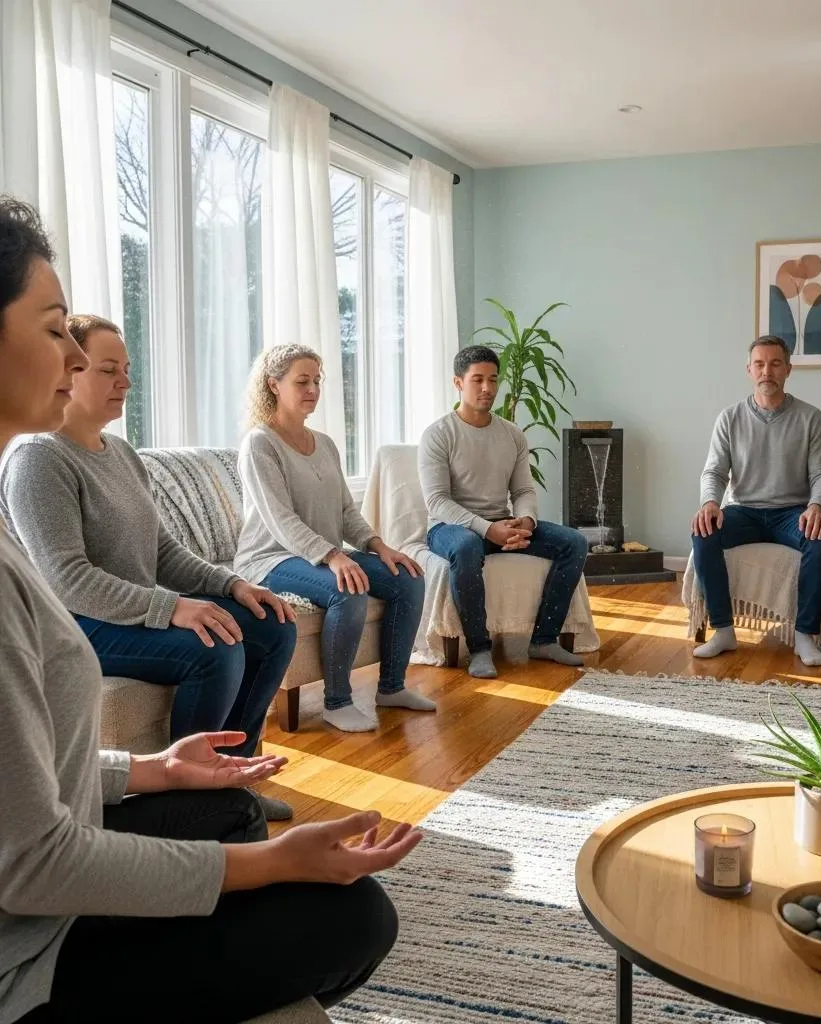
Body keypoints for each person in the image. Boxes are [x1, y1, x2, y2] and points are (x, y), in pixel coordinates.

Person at [0, 196, 421, 1024]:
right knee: (356, 915)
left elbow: (24, 788)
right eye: (57, 332)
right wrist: (272, 869)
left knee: (226, 794)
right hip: (28, 954)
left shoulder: (118, 456)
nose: (87, 364)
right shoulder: (38, 469)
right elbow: (32, 861)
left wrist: (156, 767)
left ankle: (237, 757)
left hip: (44, 877)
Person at [0, 314, 297, 821]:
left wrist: (232, 584)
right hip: (74, 623)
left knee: (273, 624)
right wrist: (171, 607)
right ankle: (188, 802)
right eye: (108, 369)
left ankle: (234, 777)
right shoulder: (38, 458)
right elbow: (65, 578)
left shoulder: (120, 452)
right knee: (216, 650)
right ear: (70, 372)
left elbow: (161, 549)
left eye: (128, 368)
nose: (126, 382)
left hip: (127, 612)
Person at [235, 344, 432, 734]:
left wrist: (379, 547)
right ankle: (337, 701)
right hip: (269, 559)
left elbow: (345, 512)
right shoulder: (260, 443)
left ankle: (391, 687)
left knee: (408, 576)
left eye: (317, 381)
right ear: (274, 385)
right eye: (302, 381)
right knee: (348, 589)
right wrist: (333, 557)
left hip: (319, 555)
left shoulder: (324, 443)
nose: (313, 389)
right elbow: (280, 520)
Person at [419, 344, 588, 679]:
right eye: (478, 379)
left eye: (493, 380)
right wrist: (487, 529)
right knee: (466, 547)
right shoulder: (438, 434)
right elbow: (437, 501)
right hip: (449, 528)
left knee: (574, 542)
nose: (487, 388)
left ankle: (543, 640)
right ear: (458, 383)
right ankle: (480, 649)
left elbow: (523, 490)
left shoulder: (511, 433)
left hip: (500, 522)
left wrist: (525, 520)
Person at [689, 335, 821, 666]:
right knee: (703, 531)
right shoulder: (729, 418)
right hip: (743, 511)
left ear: (787, 370)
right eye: (759, 364)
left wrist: (817, 506)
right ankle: (724, 631)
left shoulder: (810, 418)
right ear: (749, 370)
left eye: (774, 364)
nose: (766, 371)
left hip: (792, 513)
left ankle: (804, 635)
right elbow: (713, 472)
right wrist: (710, 503)